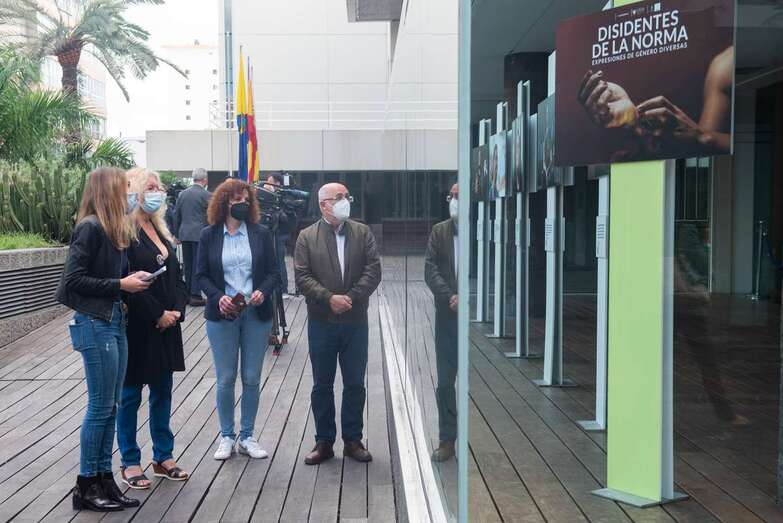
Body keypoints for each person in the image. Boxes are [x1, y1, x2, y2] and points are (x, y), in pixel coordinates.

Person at [56, 167, 152, 512]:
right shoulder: (90, 228)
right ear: (108, 191)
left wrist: (129, 278)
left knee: (109, 406)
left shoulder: (112, 231)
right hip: (96, 324)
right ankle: (86, 484)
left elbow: (104, 276)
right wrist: (120, 286)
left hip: (114, 321)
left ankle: (103, 478)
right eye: (125, 187)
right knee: (100, 407)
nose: (131, 193)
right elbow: (72, 282)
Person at [294, 183, 381, 465]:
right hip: (322, 322)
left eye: (347, 196)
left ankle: (353, 440)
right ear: (323, 205)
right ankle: (324, 441)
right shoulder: (307, 237)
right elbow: (302, 277)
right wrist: (329, 298)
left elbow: (373, 270)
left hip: (355, 321)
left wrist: (350, 298)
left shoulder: (362, 232)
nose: (345, 201)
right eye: (339, 198)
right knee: (322, 384)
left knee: (355, 383)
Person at [195, 179, 280, 460]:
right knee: (226, 378)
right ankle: (226, 436)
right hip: (222, 315)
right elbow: (200, 276)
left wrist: (261, 292)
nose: (241, 203)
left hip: (256, 313)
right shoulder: (209, 235)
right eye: (235, 199)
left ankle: (248, 436)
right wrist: (217, 295)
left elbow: (273, 273)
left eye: (245, 198)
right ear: (223, 203)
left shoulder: (261, 233)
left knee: (252, 377)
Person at [116, 168, 190, 490]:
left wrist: (176, 311)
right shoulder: (124, 233)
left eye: (158, 186)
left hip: (168, 325)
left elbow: (176, 276)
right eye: (150, 186)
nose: (157, 190)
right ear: (134, 191)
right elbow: (128, 281)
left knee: (162, 392)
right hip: (140, 326)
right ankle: (130, 461)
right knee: (130, 395)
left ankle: (163, 456)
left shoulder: (161, 227)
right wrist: (158, 313)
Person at [424, 183, 459, 462]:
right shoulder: (440, 231)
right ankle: (447, 440)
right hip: (447, 317)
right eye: (451, 196)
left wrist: (471, 298)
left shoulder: (484, 228)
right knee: (446, 381)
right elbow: (430, 268)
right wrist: (449, 297)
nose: (454, 200)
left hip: (476, 321)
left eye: (459, 196)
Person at [174, 167, 211, 307]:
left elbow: (176, 214)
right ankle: (195, 295)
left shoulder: (182, 194)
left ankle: (188, 293)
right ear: (204, 179)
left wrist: (176, 234)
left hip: (184, 234)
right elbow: (212, 214)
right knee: (197, 264)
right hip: (199, 234)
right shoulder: (206, 195)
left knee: (188, 265)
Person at [264, 173, 293, 297]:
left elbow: (285, 217)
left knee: (279, 261)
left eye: (269, 182)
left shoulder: (282, 197)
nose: (266, 184)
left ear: (277, 184)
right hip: (271, 232)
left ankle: (283, 289)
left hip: (279, 234)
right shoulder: (270, 197)